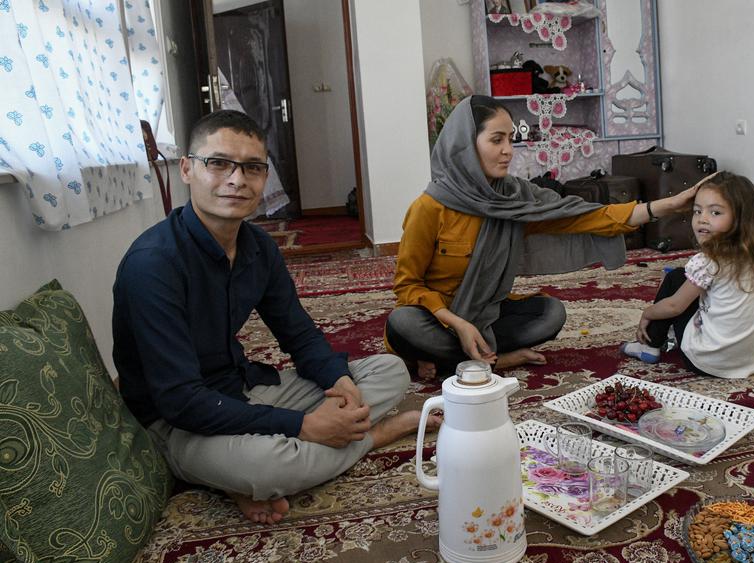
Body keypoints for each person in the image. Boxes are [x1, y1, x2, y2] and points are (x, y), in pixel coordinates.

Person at [112, 110, 439, 525]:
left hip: (241, 388)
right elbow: (179, 401)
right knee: (267, 466)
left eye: (252, 167)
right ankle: (371, 437)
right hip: (176, 423)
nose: (236, 179)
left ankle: (263, 468)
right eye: (218, 163)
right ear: (187, 170)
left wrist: (338, 384)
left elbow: (297, 333)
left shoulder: (257, 248)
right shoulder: (153, 265)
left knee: (390, 370)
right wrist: (303, 426)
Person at [385, 95, 716, 380]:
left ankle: (453, 361)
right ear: (465, 146)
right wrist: (457, 323)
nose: (508, 151)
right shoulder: (430, 207)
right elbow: (407, 287)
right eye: (496, 140)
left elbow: (585, 216)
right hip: (438, 317)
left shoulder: (514, 199)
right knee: (403, 323)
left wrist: (668, 204)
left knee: (551, 314)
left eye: (510, 140)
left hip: (486, 315)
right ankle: (490, 360)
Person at [620, 171, 754, 378]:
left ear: (740, 219)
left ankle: (650, 344)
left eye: (715, 213)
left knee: (675, 279)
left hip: (706, 361)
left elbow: (674, 306)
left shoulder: (708, 262)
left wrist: (648, 313)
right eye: (697, 211)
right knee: (686, 280)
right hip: (751, 360)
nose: (702, 219)